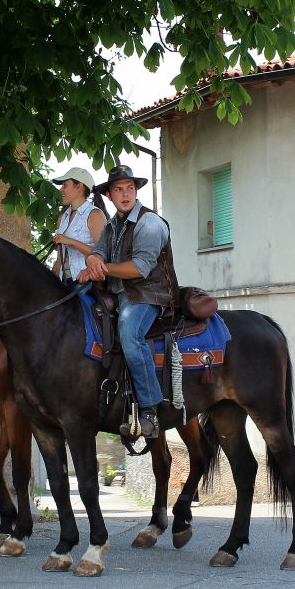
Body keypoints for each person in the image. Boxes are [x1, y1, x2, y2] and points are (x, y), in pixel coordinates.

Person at [78, 164, 179, 438]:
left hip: (148, 294)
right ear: (109, 196)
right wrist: (92, 260)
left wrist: (102, 269)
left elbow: (140, 268)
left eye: (130, 188)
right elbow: (97, 251)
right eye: (119, 190)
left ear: (136, 191)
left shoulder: (150, 223)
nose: (125, 194)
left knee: (129, 332)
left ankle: (149, 411)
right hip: (116, 293)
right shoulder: (113, 225)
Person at [50, 167, 107, 285]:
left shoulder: (95, 214)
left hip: (86, 282)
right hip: (63, 282)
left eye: (65, 185)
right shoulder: (63, 217)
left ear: (79, 186)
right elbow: (59, 259)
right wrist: (50, 278)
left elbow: (105, 254)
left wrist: (70, 241)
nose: (61, 190)